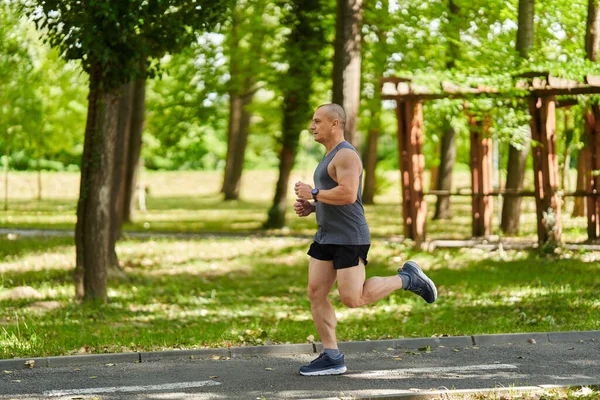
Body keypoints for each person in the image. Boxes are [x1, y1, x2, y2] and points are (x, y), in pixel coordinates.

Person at [293, 103, 437, 376]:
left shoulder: (347, 156)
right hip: (326, 236)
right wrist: (313, 206)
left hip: (349, 237)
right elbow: (334, 196)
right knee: (315, 292)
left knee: (352, 298)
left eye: (317, 121)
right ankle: (332, 355)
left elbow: (348, 194)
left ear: (335, 124)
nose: (312, 126)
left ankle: (408, 278)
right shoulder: (328, 156)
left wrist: (313, 193)